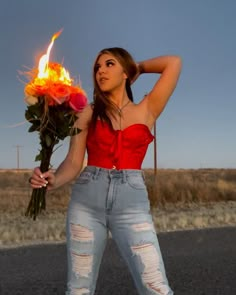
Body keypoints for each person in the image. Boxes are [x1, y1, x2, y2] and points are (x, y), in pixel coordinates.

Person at [29, 47, 182, 295]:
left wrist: (138, 68)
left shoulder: (147, 109)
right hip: (86, 203)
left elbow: (173, 62)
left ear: (125, 71)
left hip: (131, 206)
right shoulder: (87, 112)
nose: (100, 70)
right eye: (97, 67)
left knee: (157, 288)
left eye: (109, 64)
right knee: (78, 289)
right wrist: (52, 179)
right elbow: (73, 162)